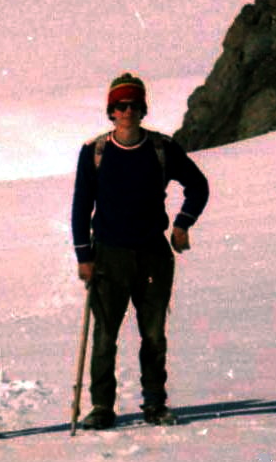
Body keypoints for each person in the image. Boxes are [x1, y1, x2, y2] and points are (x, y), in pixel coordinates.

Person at [71, 73, 209, 429]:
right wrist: (84, 257)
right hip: (108, 256)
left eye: (133, 105)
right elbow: (80, 207)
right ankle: (102, 406)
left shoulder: (162, 148)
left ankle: (154, 403)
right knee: (105, 335)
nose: (127, 111)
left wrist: (182, 224)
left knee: (153, 333)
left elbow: (198, 186)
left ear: (143, 109)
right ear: (111, 112)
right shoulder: (95, 153)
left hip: (153, 253)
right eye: (120, 106)